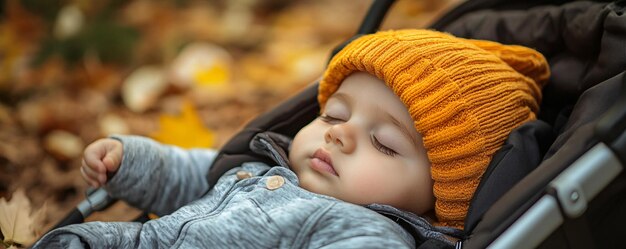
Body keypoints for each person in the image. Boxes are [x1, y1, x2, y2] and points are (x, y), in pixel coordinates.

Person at [33, 29, 549, 248]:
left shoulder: (367, 234)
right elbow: (195, 176)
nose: (341, 135)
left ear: (440, 197)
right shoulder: (266, 167)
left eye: (386, 144)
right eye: (333, 115)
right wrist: (131, 162)